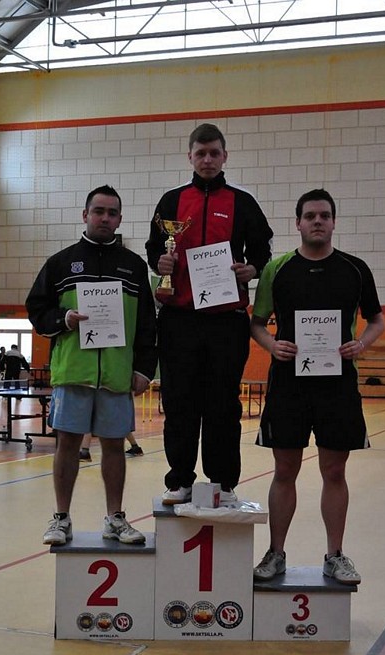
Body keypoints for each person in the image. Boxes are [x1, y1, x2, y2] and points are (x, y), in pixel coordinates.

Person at [251, 188, 385, 585]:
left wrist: (361, 344)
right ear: (297, 223)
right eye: (310, 216)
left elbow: (377, 320)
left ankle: (335, 555)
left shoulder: (355, 269)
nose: (317, 221)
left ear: (333, 222)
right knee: (284, 470)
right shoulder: (277, 270)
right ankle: (276, 553)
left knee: (334, 471)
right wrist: (272, 344)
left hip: (337, 385)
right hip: (288, 385)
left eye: (324, 215)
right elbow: (256, 323)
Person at [146, 122, 273, 505]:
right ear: (190, 156)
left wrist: (251, 269)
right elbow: (154, 248)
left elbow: (262, 251)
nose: (207, 160)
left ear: (224, 156)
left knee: (223, 404)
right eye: (200, 153)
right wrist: (160, 262)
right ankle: (179, 480)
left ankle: (223, 483)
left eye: (214, 153)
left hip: (226, 321)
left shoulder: (242, 202)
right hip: (179, 319)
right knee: (179, 402)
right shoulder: (171, 202)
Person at [26, 185, 157, 546]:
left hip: (116, 375)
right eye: (98, 211)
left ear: (120, 219)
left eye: (112, 213)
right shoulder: (60, 263)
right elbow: (36, 309)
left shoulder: (133, 266)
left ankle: (115, 518)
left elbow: (147, 323)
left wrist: (144, 369)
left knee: (115, 446)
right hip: (73, 373)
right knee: (67, 444)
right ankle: (61, 518)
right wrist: (63, 319)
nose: (105, 218)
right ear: (85, 215)